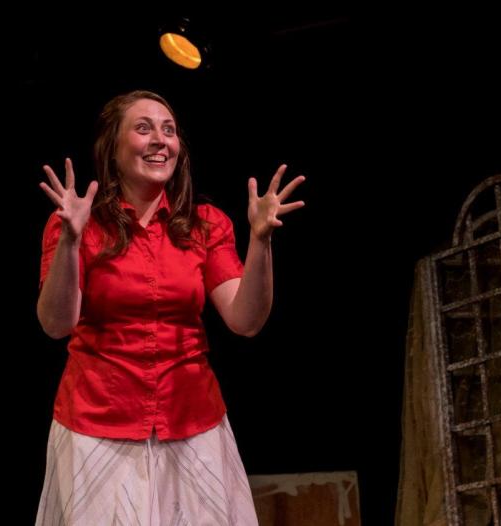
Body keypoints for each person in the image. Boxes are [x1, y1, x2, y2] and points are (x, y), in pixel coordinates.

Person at [35, 90, 305, 525]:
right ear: (113, 149)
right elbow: (55, 324)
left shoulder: (205, 224)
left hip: (192, 421)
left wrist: (261, 241)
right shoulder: (79, 224)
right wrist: (70, 239)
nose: (160, 139)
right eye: (143, 128)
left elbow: (245, 320)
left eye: (169, 129)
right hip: (98, 423)